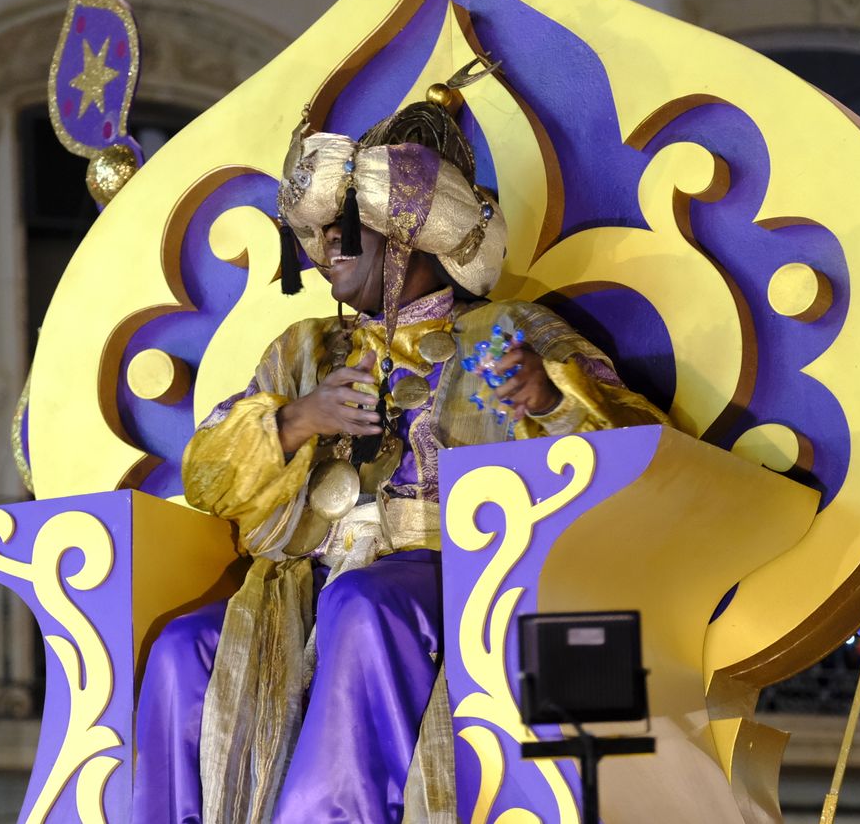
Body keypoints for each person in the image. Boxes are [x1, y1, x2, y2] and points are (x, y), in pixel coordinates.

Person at [131, 84, 667, 824]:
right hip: (301, 587)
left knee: (364, 604)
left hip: (450, 579)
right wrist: (295, 420)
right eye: (315, 236)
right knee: (181, 647)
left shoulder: (509, 330)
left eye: (344, 232)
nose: (325, 254)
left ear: (406, 236)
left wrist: (546, 398)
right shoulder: (303, 349)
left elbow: (642, 452)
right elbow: (206, 478)